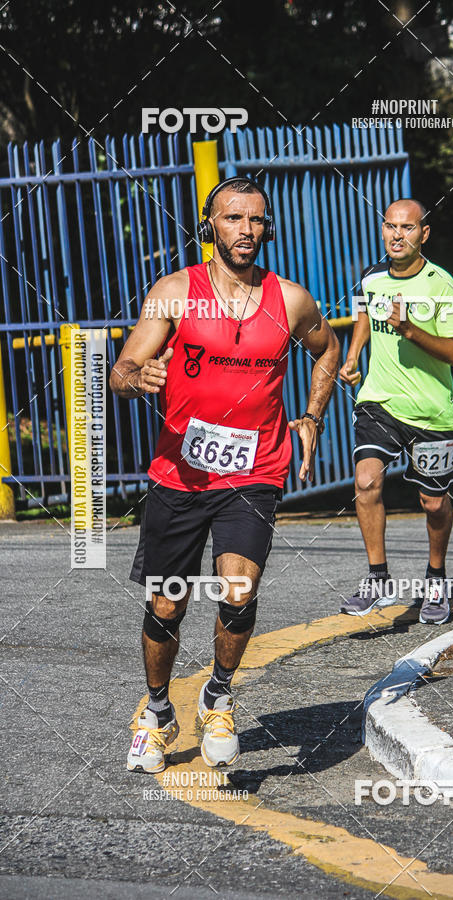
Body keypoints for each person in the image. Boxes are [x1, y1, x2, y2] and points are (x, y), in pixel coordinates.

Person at [110, 177, 339, 772]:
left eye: (256, 219)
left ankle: (217, 696)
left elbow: (329, 349)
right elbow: (121, 369)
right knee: (168, 605)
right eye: (234, 218)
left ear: (267, 228)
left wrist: (312, 416)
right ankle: (157, 711)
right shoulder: (174, 292)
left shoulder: (290, 300)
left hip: (255, 470)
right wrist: (138, 378)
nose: (246, 229)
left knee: (239, 591)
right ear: (210, 225)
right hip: (180, 474)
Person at [339, 199, 453, 624]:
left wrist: (411, 329)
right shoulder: (371, 277)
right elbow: (363, 313)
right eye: (390, 226)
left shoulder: (441, 285)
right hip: (380, 401)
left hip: (432, 411)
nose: (397, 235)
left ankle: (436, 579)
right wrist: (354, 356)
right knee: (366, 481)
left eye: (407, 227)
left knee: (433, 503)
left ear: (423, 234)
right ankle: (378, 578)